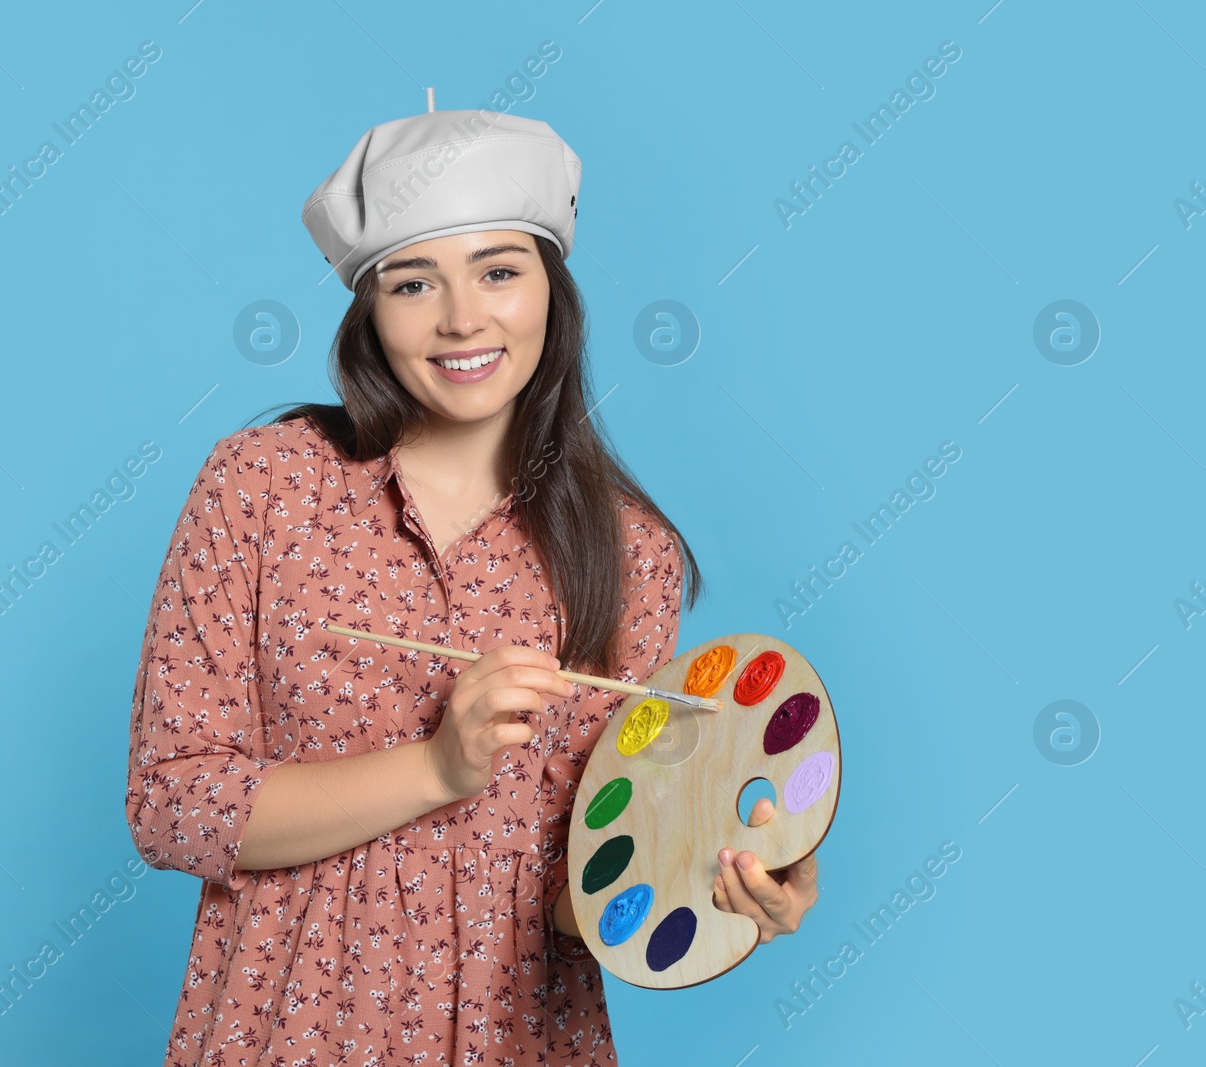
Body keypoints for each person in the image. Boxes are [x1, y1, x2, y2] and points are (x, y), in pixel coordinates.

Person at [125, 106, 819, 1067]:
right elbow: (173, 804)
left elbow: (579, 895)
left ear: (551, 292)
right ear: (371, 309)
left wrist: (719, 876)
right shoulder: (263, 484)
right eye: (414, 282)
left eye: (499, 270)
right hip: (287, 1033)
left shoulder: (632, 551)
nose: (462, 318)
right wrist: (437, 771)